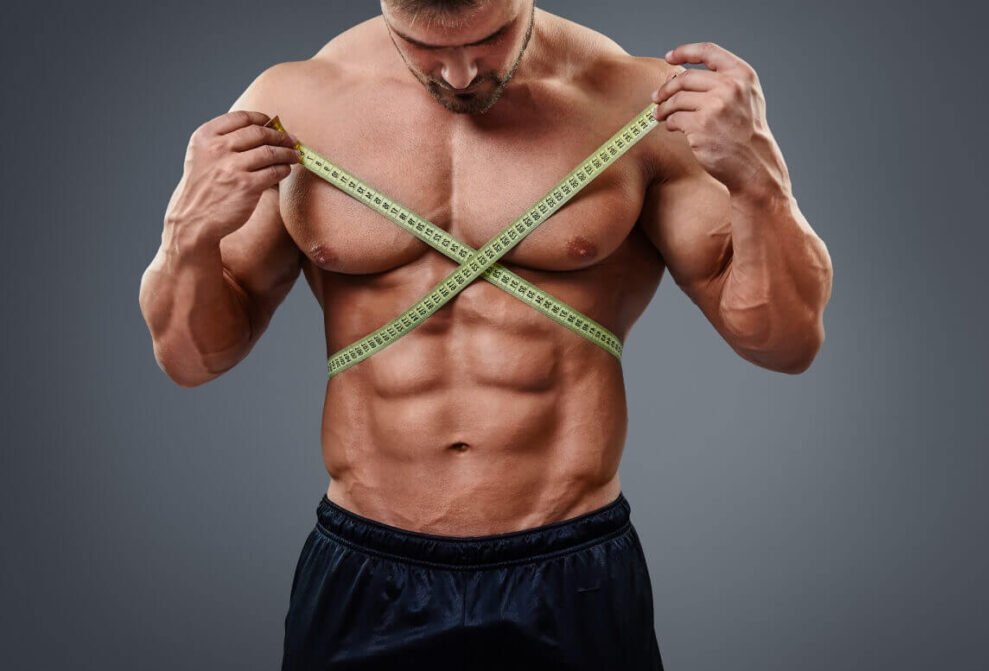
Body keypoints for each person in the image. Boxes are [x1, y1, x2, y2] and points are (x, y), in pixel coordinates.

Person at [138, 0, 832, 668]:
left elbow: (784, 341)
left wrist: (760, 180)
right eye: (424, 47)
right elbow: (192, 360)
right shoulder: (296, 106)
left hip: (571, 569)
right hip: (366, 567)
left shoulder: (636, 103)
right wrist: (186, 234)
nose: (461, 74)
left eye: (490, 38)